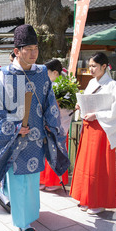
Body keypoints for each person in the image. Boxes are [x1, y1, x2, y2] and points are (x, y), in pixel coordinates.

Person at [0, 24, 64, 231]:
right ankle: (24, 225)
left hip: (36, 138)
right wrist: (14, 126)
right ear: (16, 51)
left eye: (36, 48)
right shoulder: (3, 76)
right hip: (15, 140)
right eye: (28, 49)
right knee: (19, 182)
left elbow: (50, 104)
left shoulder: (42, 73)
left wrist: (50, 123)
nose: (34, 53)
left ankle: (25, 211)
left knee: (31, 180)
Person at [69, 52, 116, 215]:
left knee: (97, 165)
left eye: (94, 66)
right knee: (86, 164)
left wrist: (98, 115)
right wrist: (81, 106)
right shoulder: (92, 82)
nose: (91, 69)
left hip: (102, 128)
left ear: (104, 67)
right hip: (89, 127)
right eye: (89, 66)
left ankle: (98, 202)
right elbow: (88, 101)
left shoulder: (113, 85)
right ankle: (86, 198)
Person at [39, 59, 69, 191]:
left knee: (56, 151)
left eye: (47, 72)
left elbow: (67, 108)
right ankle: (44, 180)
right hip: (47, 123)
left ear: (55, 73)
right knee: (46, 151)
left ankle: (55, 181)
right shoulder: (48, 85)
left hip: (58, 124)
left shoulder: (65, 87)